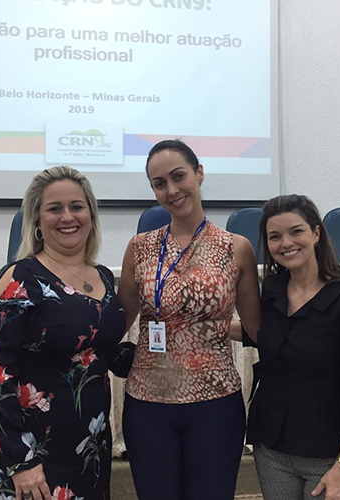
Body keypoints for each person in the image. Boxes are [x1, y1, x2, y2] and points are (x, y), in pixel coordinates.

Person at [0, 166, 134, 500]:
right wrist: (21, 460)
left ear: (91, 215)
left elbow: (96, 352)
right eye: (54, 208)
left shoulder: (103, 277)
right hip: (32, 458)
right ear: (36, 219)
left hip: (90, 451)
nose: (67, 217)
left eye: (77, 206)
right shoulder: (17, 280)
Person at [118, 139, 261, 500]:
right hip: (148, 404)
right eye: (159, 183)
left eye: (178, 176)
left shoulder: (236, 248)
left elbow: (258, 330)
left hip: (216, 402)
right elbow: (117, 322)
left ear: (199, 173)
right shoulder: (140, 247)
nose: (171, 190)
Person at [245, 194, 340, 500]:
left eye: (296, 231)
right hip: (273, 449)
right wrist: (203, 325)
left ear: (316, 233)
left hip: (330, 455)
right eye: (274, 236)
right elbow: (266, 335)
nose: (286, 243)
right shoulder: (272, 290)